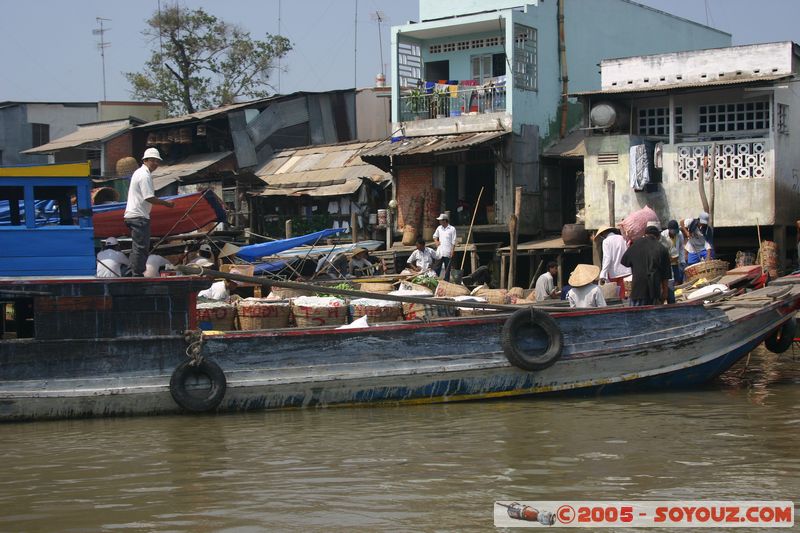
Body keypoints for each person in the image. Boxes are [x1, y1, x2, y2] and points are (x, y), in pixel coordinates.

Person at [123, 148, 175, 276]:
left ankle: (131, 273)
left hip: (135, 215)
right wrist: (166, 203)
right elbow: (149, 197)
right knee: (141, 247)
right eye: (153, 160)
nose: (155, 164)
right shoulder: (144, 175)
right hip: (139, 216)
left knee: (137, 247)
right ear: (145, 160)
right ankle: (137, 274)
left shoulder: (140, 173)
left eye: (157, 161)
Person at [621, 224, 672, 306]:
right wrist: (665, 293)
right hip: (654, 291)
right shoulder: (662, 248)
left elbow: (624, 262)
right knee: (652, 313)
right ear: (658, 236)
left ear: (645, 235)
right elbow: (666, 275)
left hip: (637, 290)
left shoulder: (635, 245)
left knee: (636, 313)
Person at [596, 225, 632, 299]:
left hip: (614, 272)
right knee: (626, 293)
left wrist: (603, 274)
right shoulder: (622, 238)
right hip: (626, 270)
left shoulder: (606, 241)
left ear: (603, 234)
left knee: (615, 295)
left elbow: (607, 258)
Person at [433, 213, 457, 281]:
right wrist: (436, 241)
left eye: (440, 220)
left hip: (448, 251)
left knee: (447, 268)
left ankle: (446, 281)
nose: (439, 221)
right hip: (440, 251)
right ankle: (435, 279)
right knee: (437, 267)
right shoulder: (439, 228)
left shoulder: (452, 229)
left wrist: (452, 251)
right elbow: (435, 236)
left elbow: (453, 241)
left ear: (445, 220)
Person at [661, 219, 686, 284]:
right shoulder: (663, 235)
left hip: (676, 260)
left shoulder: (679, 234)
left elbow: (681, 248)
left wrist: (682, 260)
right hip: (667, 260)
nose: (675, 234)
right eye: (674, 232)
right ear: (669, 230)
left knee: (678, 278)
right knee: (668, 279)